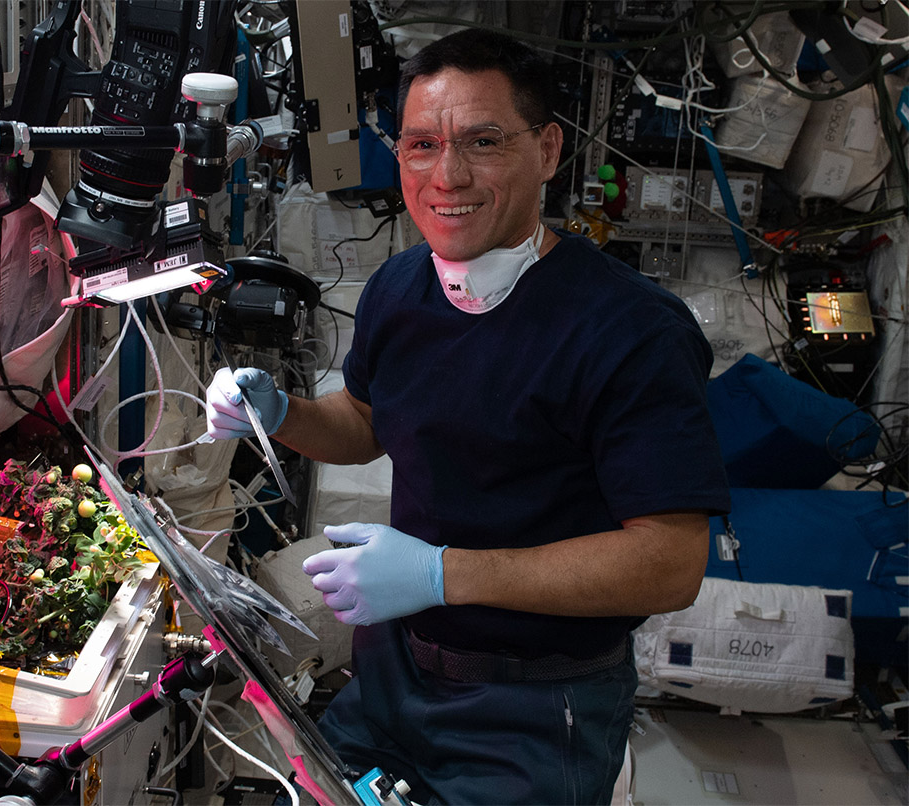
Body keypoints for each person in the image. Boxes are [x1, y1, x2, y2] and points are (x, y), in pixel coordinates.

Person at [206, 27, 730, 806]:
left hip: (532, 707)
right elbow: (366, 422)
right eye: (421, 144)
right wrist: (279, 414)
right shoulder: (399, 287)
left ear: (548, 151)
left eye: (483, 141)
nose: (446, 175)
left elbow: (670, 562)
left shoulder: (631, 331)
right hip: (390, 672)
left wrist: (437, 574)